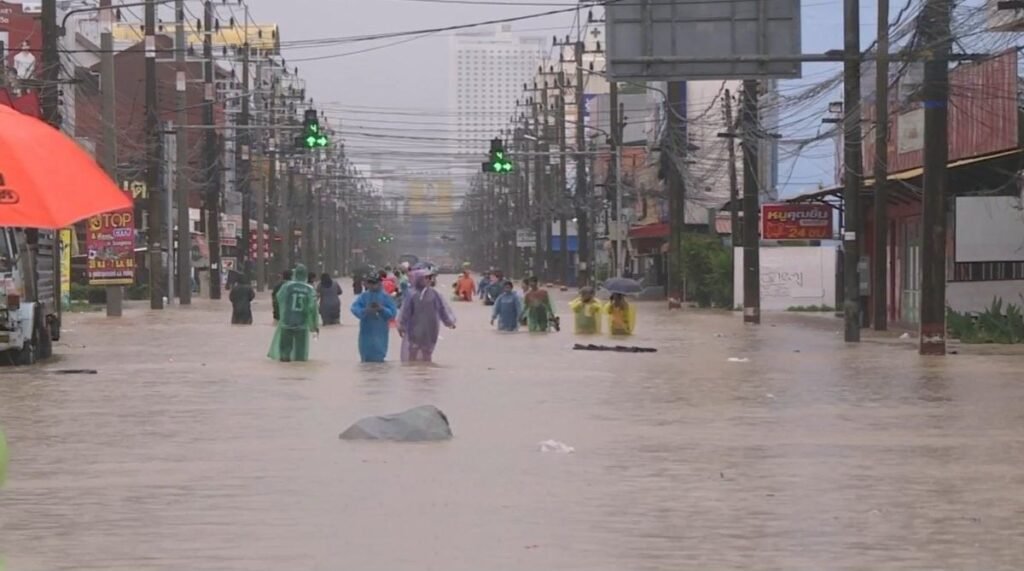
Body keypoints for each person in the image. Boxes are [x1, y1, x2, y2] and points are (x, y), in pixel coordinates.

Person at [397, 269, 456, 363]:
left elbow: (442, 309)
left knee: (427, 351)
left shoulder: (435, 294)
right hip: (414, 327)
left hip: (430, 327)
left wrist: (449, 322)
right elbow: (405, 312)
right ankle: (412, 371)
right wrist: (401, 326)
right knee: (413, 349)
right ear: (418, 279)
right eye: (426, 278)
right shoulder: (412, 295)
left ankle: (427, 371)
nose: (429, 280)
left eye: (430, 278)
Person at [267, 264, 319, 362]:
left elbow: (279, 298)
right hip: (302, 323)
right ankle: (299, 371)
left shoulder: (287, 286)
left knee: (284, 351)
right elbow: (313, 309)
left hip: (287, 321)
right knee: (301, 353)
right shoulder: (310, 289)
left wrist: (279, 314)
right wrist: (314, 326)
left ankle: (284, 371)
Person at [351, 274, 398, 362]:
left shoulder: (386, 297)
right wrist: (365, 311)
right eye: (370, 283)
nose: (372, 285)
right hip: (365, 332)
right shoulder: (363, 296)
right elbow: (354, 308)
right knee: (365, 359)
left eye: (374, 283)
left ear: (380, 283)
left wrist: (382, 309)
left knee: (379, 358)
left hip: (380, 332)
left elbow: (393, 313)